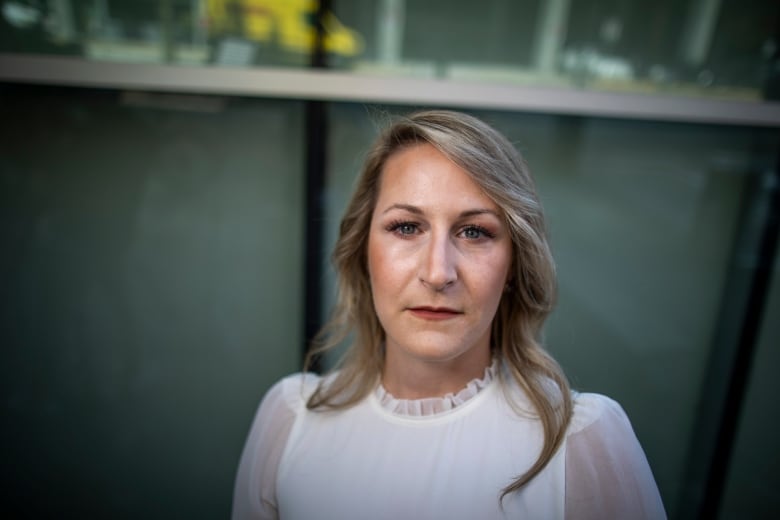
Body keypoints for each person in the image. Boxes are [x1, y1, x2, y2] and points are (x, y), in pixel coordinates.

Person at [232, 110, 666, 519]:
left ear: (514, 265)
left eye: (475, 231)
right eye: (406, 227)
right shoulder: (288, 418)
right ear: (364, 252)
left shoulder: (582, 441)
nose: (438, 273)